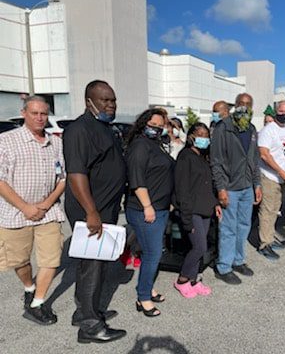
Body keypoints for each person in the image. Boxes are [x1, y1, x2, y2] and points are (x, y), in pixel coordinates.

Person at [63, 80, 127, 343]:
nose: (110, 105)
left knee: (91, 263)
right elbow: (76, 174)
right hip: (91, 208)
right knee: (93, 265)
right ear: (89, 101)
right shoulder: (79, 130)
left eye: (113, 100)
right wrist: (91, 211)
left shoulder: (105, 127)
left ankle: (84, 311)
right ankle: (90, 327)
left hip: (105, 207)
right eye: (105, 100)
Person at [0, 96, 65, 325]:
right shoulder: (6, 140)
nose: (39, 118)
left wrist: (47, 203)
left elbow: (62, 178)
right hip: (16, 212)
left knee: (51, 258)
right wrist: (26, 207)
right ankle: (29, 287)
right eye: (35, 113)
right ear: (24, 113)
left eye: (44, 114)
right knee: (19, 260)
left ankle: (37, 303)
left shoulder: (55, 142)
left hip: (48, 212)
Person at [124, 108, 174, 316]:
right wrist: (147, 206)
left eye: (160, 126)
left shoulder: (156, 144)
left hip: (160, 208)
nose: (157, 128)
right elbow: (137, 179)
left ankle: (147, 288)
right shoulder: (139, 146)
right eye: (153, 125)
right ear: (144, 123)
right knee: (153, 254)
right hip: (145, 210)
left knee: (151, 253)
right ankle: (143, 297)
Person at [210, 93, 262, 285]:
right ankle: (223, 266)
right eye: (241, 103)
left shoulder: (252, 129)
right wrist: (221, 189)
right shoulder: (223, 128)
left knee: (243, 226)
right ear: (235, 105)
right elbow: (216, 162)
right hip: (230, 188)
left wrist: (257, 184)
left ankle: (238, 260)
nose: (244, 107)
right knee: (228, 229)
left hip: (247, 187)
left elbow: (254, 160)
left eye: (248, 104)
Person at [174, 122, 222, 297]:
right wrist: (186, 218)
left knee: (199, 246)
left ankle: (193, 280)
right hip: (191, 210)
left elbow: (209, 185)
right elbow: (182, 189)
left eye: (206, 135)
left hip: (205, 209)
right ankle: (182, 279)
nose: (204, 138)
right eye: (200, 134)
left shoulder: (203, 157)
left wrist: (216, 203)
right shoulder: (185, 157)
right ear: (191, 136)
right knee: (199, 247)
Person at [257, 101, 285, 260]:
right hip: (269, 176)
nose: (284, 114)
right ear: (276, 112)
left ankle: (269, 239)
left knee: (275, 209)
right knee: (267, 210)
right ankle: (264, 244)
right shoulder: (268, 131)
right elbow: (264, 154)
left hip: (281, 177)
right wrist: (281, 172)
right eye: (281, 111)